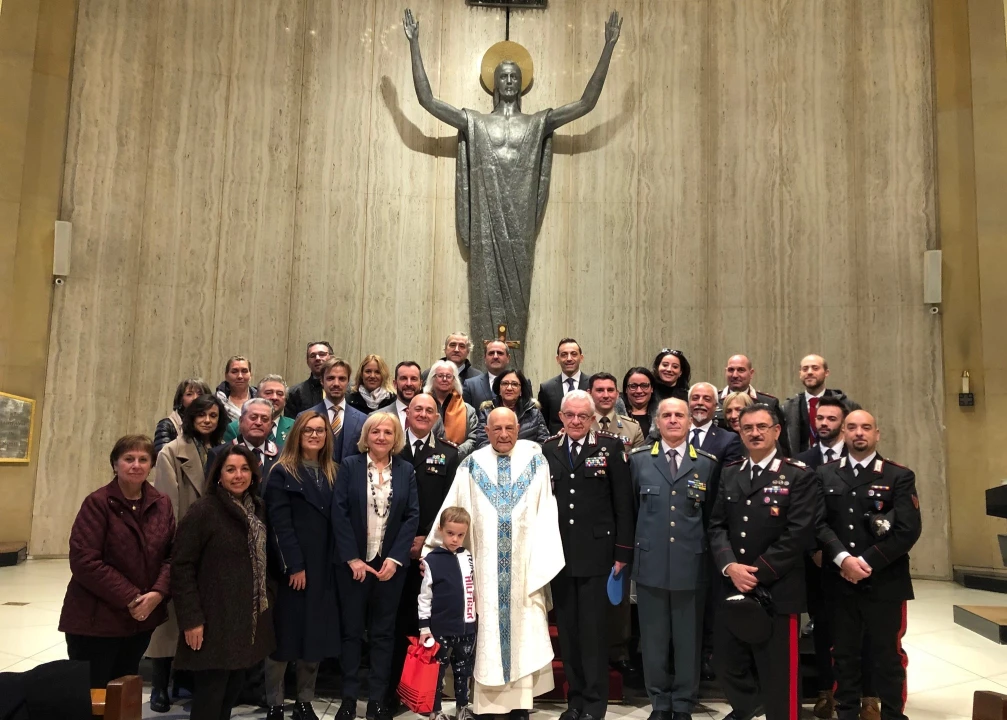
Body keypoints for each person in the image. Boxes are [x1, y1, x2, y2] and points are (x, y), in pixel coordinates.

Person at [426, 407, 565, 719]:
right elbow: (453, 511)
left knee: (523, 634)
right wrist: (433, 553)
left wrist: (541, 562)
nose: (503, 435)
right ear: (486, 432)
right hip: (484, 572)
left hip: (524, 571)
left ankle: (520, 707)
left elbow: (546, 512)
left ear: (518, 429)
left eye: (509, 428)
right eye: (496, 429)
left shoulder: (536, 462)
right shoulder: (471, 465)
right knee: (487, 635)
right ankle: (487, 709)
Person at [708, 404, 817, 720]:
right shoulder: (731, 472)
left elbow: (799, 533)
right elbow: (716, 525)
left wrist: (758, 573)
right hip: (734, 585)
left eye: (761, 427)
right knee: (725, 663)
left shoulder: (797, 475)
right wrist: (730, 566)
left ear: (776, 431)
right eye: (747, 428)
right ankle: (748, 706)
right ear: (740, 432)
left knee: (779, 675)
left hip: (778, 588)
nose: (754, 433)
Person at [815, 410, 922, 720]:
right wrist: (843, 559)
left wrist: (864, 562)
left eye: (865, 427)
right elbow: (818, 523)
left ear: (877, 434)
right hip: (839, 580)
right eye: (851, 427)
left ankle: (893, 715)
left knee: (887, 656)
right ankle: (847, 713)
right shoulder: (825, 474)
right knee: (843, 655)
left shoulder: (898, 475)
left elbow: (907, 530)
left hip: (884, 581)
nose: (858, 432)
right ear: (843, 434)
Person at [540, 391, 633, 720]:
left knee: (593, 634)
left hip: (598, 555)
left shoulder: (610, 448)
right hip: (561, 555)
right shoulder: (548, 449)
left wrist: (622, 551)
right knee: (569, 633)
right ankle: (575, 701)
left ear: (593, 418)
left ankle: (594, 705)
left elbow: (624, 503)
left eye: (583, 416)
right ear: (561, 417)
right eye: (570, 415)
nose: (576, 421)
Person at [59, 435, 174, 690]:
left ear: (151, 465)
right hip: (96, 621)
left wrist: (158, 593)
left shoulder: (162, 504)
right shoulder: (98, 503)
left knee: (125, 690)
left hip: (141, 620)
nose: (136, 465)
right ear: (115, 464)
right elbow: (84, 561)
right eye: (128, 459)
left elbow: (171, 556)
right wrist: (132, 597)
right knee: (94, 693)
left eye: (143, 459)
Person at [171, 445, 276, 720]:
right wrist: (191, 619)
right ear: (219, 474)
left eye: (244, 469)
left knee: (231, 694)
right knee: (210, 699)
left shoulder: (257, 509)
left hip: (246, 622)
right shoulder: (204, 510)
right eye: (230, 469)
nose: (238, 475)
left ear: (253, 474)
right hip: (212, 622)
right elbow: (181, 566)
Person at [631, 399, 720, 720]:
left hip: (690, 565)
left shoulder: (707, 464)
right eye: (666, 415)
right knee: (653, 639)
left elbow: (712, 519)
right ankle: (659, 701)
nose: (672, 420)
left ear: (689, 421)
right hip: (650, 563)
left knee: (688, 640)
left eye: (679, 415)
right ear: (657, 421)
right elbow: (632, 511)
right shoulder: (639, 460)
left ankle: (683, 702)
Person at [332, 413, 420, 720]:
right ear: (366, 436)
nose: (381, 437)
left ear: (396, 438)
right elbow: (339, 512)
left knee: (384, 635)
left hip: (389, 568)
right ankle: (348, 699)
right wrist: (352, 558)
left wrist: (395, 559)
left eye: (388, 432)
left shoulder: (405, 470)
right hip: (354, 565)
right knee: (351, 633)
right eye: (375, 432)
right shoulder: (349, 466)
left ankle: (377, 701)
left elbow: (412, 515)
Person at [147, 393, 228, 712]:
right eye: (201, 415)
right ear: (190, 418)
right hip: (183, 538)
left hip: (214, 543)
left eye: (213, 415)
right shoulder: (171, 451)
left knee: (200, 614)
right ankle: (159, 684)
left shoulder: (221, 450)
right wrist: (177, 543)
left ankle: (188, 680)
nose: (207, 420)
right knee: (169, 618)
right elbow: (167, 502)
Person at [794, 396, 873, 720]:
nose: (824, 423)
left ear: (843, 424)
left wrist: (857, 558)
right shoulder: (803, 460)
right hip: (819, 561)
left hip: (860, 560)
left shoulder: (859, 456)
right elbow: (801, 512)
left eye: (831, 419)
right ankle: (827, 692)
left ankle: (867, 696)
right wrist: (814, 550)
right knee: (823, 629)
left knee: (864, 632)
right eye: (820, 418)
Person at [263, 412, 341, 720]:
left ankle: (304, 701)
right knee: (284, 638)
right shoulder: (281, 472)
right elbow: (278, 525)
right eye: (308, 429)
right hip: (292, 570)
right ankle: (275, 702)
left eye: (320, 430)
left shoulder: (334, 472)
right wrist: (293, 565)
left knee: (313, 637)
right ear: (297, 433)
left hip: (324, 568)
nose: (314, 435)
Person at [390, 393, 462, 708]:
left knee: (426, 625)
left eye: (429, 410)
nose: (422, 414)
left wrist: (426, 538)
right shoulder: (391, 447)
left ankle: (423, 693)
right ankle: (391, 692)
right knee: (394, 624)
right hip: (392, 551)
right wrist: (403, 540)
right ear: (407, 413)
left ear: (436, 417)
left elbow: (450, 503)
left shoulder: (449, 453)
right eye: (417, 409)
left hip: (429, 553)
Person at [418, 507, 478, 720]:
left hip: (466, 627)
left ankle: (463, 707)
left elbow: (472, 588)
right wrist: (424, 628)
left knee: (464, 670)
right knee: (437, 672)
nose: (455, 539)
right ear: (441, 530)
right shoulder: (431, 560)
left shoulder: (468, 556)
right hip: (440, 628)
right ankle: (436, 710)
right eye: (450, 533)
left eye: (460, 535)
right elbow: (425, 597)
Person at [782, 354, 851, 455]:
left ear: (826, 372)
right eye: (805, 369)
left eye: (815, 368)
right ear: (800, 373)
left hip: (836, 459)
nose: (809, 372)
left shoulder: (845, 405)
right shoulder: (788, 408)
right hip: (799, 461)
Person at [717, 355, 788, 453]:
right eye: (731, 370)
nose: (735, 375)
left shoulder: (769, 403)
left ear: (751, 373)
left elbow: (782, 446)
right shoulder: (714, 401)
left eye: (741, 370)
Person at [208, 398, 280, 492]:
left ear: (271, 425)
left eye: (264, 419)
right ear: (241, 421)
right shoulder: (218, 454)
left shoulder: (283, 455)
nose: (258, 423)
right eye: (253, 417)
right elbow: (211, 492)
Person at [303, 357, 366, 464]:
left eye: (342, 379)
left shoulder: (363, 420)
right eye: (330, 378)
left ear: (348, 382)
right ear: (322, 381)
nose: (336, 383)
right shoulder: (304, 417)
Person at [473, 369, 549, 449]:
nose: (509, 388)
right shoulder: (487, 411)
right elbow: (482, 443)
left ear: (521, 390)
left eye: (514, 384)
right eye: (505, 383)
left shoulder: (534, 413)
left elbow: (543, 444)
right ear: (499, 389)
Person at [424, 359, 478, 460]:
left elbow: (473, 438)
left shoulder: (468, 410)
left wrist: (453, 453)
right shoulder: (421, 405)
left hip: (457, 461)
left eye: (449, 376)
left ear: (454, 380)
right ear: (432, 378)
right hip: (425, 460)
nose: (444, 379)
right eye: (440, 376)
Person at [225, 375, 294, 448]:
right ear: (257, 396)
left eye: (280, 394)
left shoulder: (294, 426)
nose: (274, 397)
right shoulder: (234, 428)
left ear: (285, 401)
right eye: (268, 393)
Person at [539, 338, 590, 434]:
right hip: (557, 441)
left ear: (581, 358)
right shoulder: (546, 388)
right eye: (564, 355)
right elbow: (543, 424)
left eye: (574, 354)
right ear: (558, 359)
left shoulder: (592, 384)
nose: (569, 359)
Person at [687, 382, 743, 465]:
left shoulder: (728, 440)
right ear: (688, 403)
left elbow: (729, 472)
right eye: (695, 398)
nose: (700, 402)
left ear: (715, 406)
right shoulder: (674, 433)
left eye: (707, 399)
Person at [589, 372, 645, 450]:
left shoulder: (633, 428)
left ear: (617, 394)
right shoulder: (580, 425)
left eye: (610, 390)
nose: (606, 395)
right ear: (589, 393)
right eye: (600, 390)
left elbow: (639, 457)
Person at [155, 378, 212, 454]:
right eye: (189, 394)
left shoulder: (211, 424)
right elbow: (163, 457)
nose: (195, 398)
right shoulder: (167, 425)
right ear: (181, 399)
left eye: (200, 394)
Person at [286, 342, 333, 418]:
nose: (317, 358)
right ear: (308, 362)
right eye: (313, 356)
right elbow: (291, 423)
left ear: (331, 358)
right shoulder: (295, 393)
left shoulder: (348, 390)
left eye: (322, 354)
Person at [463, 339, 513, 408]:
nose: (495, 356)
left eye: (500, 353)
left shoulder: (520, 384)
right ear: (485, 358)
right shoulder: (470, 385)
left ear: (508, 358)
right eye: (491, 353)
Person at [217, 356, 256, 422]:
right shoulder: (217, 401)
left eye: (244, 371)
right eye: (234, 371)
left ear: (250, 375)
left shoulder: (260, 399)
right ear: (226, 375)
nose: (240, 376)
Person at [622, 367, 659, 438]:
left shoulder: (662, 414)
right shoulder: (615, 415)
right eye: (633, 386)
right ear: (626, 389)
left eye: (644, 386)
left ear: (652, 388)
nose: (639, 391)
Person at [389, 361, 424, 428]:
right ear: (395, 384)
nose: (409, 384)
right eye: (403, 378)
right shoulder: (377, 416)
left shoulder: (434, 419)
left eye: (413, 379)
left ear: (421, 384)